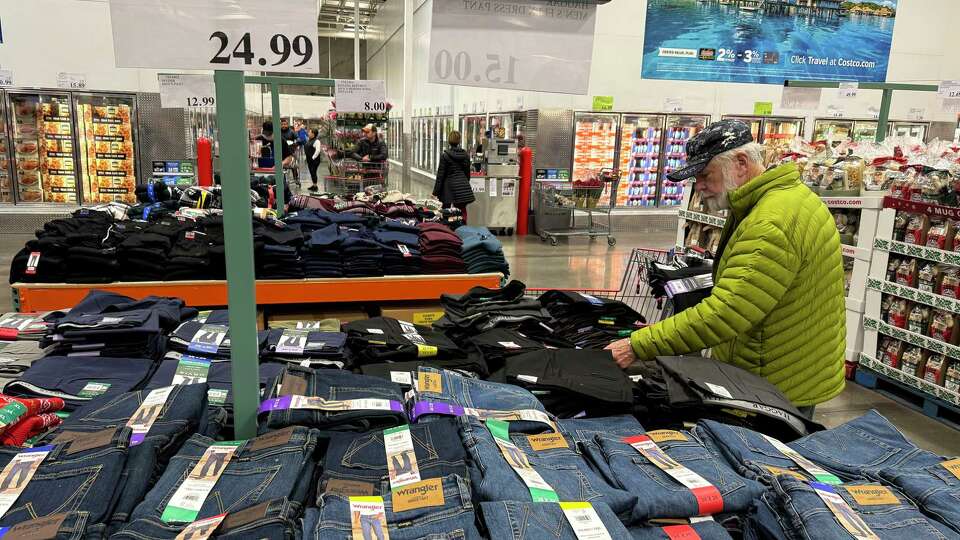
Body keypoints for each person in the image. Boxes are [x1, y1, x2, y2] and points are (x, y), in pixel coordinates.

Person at [605, 119, 846, 417]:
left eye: (706, 175)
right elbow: (750, 291)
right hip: (788, 363)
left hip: (774, 380)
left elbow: (726, 313)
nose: (700, 187)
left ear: (741, 163)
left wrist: (638, 345)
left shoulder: (770, 221)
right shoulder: (782, 200)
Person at [433, 130, 475, 222]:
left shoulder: (445, 156)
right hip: (462, 186)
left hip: (448, 188)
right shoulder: (465, 155)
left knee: (446, 210)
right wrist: (463, 182)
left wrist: (435, 192)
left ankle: (448, 230)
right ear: (459, 141)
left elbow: (440, 176)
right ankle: (463, 227)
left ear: (449, 141)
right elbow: (467, 174)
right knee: (462, 209)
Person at [305, 127, 323, 192]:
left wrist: (313, 158)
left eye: (309, 132)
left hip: (314, 160)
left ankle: (315, 186)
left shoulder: (317, 141)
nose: (308, 133)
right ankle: (314, 185)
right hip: (309, 160)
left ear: (313, 134)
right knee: (311, 172)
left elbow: (318, 151)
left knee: (313, 172)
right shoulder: (309, 140)